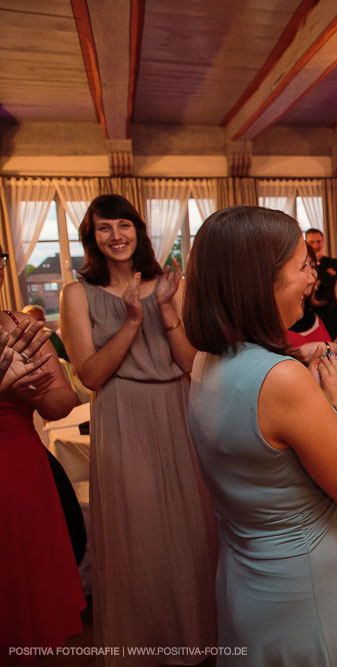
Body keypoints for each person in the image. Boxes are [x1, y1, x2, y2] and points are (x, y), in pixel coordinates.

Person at [185, 206, 337, 666]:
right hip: (307, 587)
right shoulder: (281, 381)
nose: (312, 279)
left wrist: (294, 359)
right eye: (301, 266)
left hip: (247, 580)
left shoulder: (205, 360)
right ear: (261, 281)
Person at [60, 194, 217, 662]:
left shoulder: (171, 284)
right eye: (104, 228)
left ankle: (197, 639)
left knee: (191, 530)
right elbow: (89, 375)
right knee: (138, 535)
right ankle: (144, 649)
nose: (116, 236)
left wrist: (165, 311)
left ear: (138, 230)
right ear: (93, 237)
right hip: (123, 415)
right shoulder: (77, 293)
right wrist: (131, 321)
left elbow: (190, 362)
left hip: (177, 407)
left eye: (124, 225)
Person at [1, 298, 85, 653]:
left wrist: (36, 388)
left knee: (27, 602)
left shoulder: (19, 326)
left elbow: (62, 402)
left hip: (21, 469)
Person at [287, 244, 337, 368]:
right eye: (303, 266)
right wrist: (336, 348)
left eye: (313, 266)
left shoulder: (326, 310)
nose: (313, 274)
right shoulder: (271, 321)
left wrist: (329, 347)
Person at [305, 227, 337, 307]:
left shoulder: (333, 263)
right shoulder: (303, 264)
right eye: (311, 242)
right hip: (308, 308)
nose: (315, 246)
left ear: (323, 242)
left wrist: (316, 262)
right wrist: (325, 272)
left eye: (318, 241)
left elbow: (327, 284)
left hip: (329, 306)